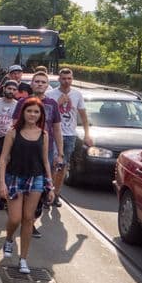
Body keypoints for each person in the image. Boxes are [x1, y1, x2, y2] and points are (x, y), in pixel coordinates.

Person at [0, 97, 54, 274]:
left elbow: (45, 160)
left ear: (40, 115)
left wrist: (50, 185)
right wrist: (2, 183)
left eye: (36, 112)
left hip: (36, 179)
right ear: (23, 112)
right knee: (15, 218)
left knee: (28, 218)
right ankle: (8, 239)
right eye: (29, 111)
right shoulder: (13, 132)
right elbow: (3, 158)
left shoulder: (44, 134)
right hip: (15, 178)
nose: (32, 114)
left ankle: (23, 259)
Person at [11, 71, 63, 238]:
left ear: (47, 86)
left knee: (39, 191)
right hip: (24, 152)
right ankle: (18, 217)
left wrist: (59, 153)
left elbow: (56, 128)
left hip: (45, 153)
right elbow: (14, 125)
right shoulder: (22, 102)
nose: (40, 84)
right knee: (22, 187)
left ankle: (31, 221)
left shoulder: (52, 104)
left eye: (43, 82)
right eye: (37, 81)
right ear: (32, 84)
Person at [46, 67, 93, 206]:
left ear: (72, 79)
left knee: (63, 165)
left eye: (69, 79)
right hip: (54, 134)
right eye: (64, 78)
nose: (66, 81)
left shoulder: (77, 94)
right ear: (59, 79)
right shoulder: (50, 94)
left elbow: (83, 116)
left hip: (70, 135)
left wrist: (87, 134)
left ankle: (56, 194)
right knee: (53, 164)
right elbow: (46, 114)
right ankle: (48, 192)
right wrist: (58, 103)